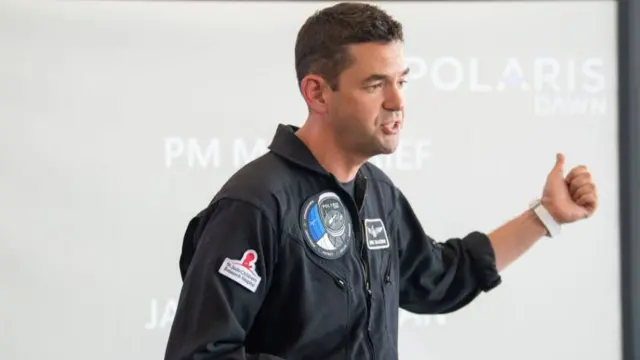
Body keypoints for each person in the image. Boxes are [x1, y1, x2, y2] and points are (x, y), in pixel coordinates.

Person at [163, 2, 598, 360]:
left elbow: (440, 278)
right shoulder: (257, 202)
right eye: (375, 84)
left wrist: (545, 216)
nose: (397, 102)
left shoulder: (377, 194)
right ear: (317, 93)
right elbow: (202, 353)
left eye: (401, 82)